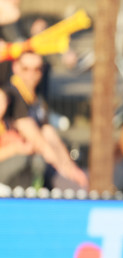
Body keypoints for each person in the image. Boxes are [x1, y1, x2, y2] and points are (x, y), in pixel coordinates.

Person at [3, 51, 88, 189]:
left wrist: (71, 168)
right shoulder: (13, 94)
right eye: (26, 68)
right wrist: (65, 171)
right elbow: (38, 140)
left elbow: (50, 134)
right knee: (39, 162)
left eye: (37, 69)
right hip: (12, 162)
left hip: (25, 161)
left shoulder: (35, 97)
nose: (31, 74)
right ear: (15, 67)